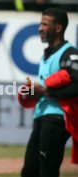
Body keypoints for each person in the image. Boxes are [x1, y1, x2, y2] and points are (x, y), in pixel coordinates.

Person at [18, 8, 78, 177]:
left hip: (57, 118)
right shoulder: (46, 55)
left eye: (45, 24)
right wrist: (32, 92)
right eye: (40, 23)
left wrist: (46, 91)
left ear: (58, 28)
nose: (40, 28)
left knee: (47, 171)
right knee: (30, 170)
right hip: (43, 117)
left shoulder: (70, 54)